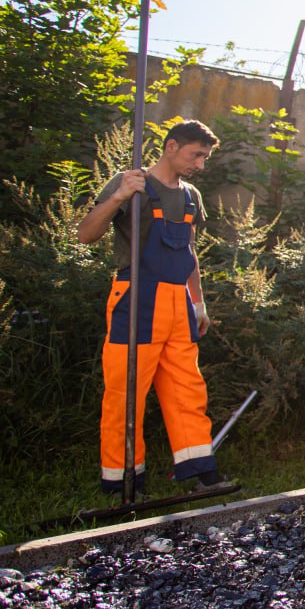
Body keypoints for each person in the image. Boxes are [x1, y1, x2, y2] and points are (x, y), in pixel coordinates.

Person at [77, 120, 229, 495]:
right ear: (171, 147)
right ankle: (123, 480)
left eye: (205, 157)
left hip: (179, 302)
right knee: (125, 393)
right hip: (137, 299)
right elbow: (85, 234)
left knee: (187, 389)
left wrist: (199, 302)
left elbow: (189, 253)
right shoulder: (131, 182)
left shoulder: (192, 196)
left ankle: (200, 471)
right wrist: (118, 198)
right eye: (197, 155)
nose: (201, 164)